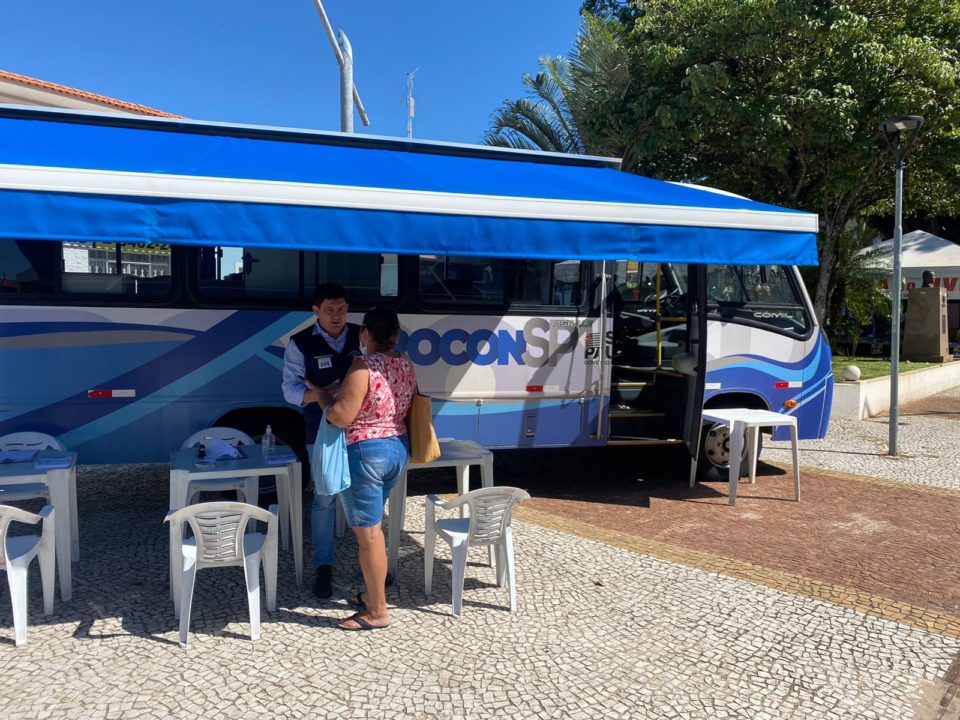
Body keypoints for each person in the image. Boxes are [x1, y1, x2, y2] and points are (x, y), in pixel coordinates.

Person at [318, 306, 417, 630]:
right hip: (397, 449)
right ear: (396, 335)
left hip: (365, 452)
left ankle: (377, 612)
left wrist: (323, 401)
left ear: (365, 334)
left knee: (369, 535)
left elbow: (342, 416)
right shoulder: (405, 363)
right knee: (373, 528)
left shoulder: (363, 366)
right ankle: (372, 593)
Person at [281, 283, 361, 599]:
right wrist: (317, 394)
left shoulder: (361, 337)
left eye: (341, 309)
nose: (336, 316)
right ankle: (323, 567)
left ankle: (371, 564)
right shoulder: (300, 343)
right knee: (324, 498)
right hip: (321, 433)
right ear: (316, 312)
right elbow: (289, 389)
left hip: (359, 432)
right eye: (329, 310)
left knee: (361, 497)